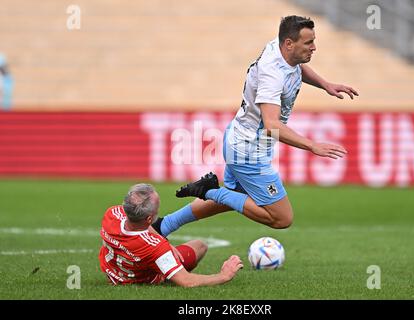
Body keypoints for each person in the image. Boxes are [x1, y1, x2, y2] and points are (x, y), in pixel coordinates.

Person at [152, 15, 359, 237]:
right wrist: (312, 146)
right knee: (281, 218)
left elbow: (296, 67)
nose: (314, 48)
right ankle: (210, 190)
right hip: (249, 151)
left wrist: (325, 85)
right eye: (308, 43)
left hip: (240, 137)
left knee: (235, 197)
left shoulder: (279, 48)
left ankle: (164, 225)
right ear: (289, 43)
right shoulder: (272, 74)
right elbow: (271, 124)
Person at [98, 183, 243, 287]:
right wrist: (224, 275)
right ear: (149, 219)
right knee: (200, 246)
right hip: (139, 279)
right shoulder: (155, 248)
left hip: (113, 272)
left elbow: (141, 229)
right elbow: (187, 281)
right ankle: (166, 276)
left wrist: (164, 243)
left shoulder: (112, 213)